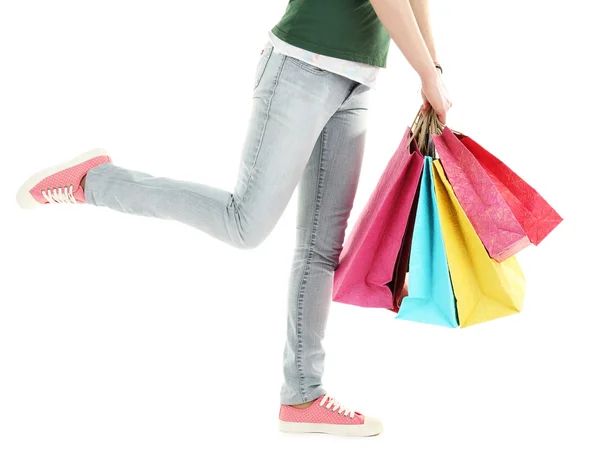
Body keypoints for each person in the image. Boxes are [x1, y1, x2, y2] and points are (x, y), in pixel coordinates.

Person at [16, 0, 451, 437]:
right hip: (302, 66)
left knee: (321, 246)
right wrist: (427, 75)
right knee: (243, 222)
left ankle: (302, 395)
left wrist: (434, 66)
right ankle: (95, 181)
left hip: (356, 81)